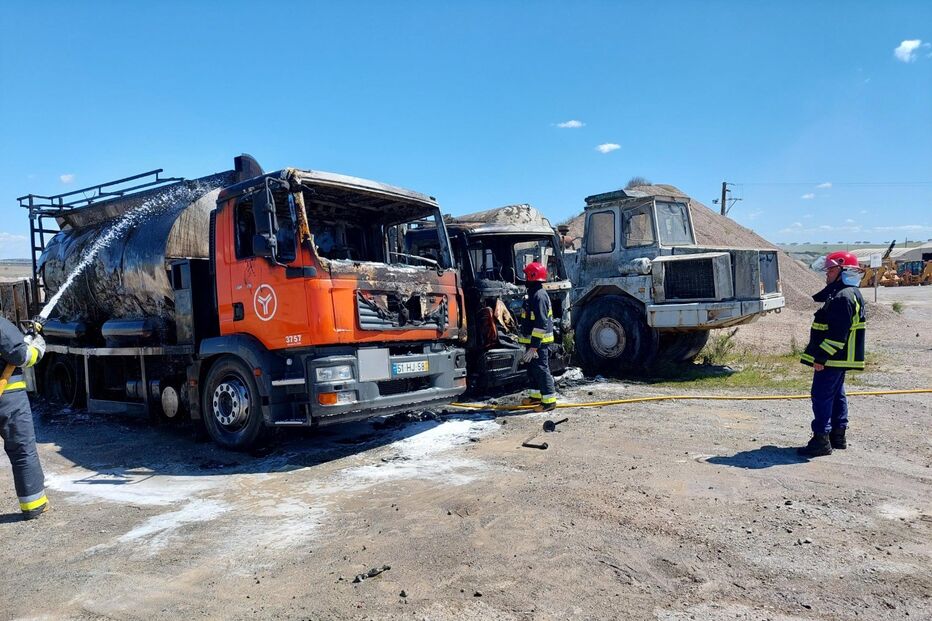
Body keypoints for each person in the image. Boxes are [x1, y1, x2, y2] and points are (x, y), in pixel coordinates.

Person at [798, 251, 866, 457]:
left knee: (821, 396)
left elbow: (837, 335)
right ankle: (838, 436)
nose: (827, 274)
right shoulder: (850, 293)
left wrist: (821, 357)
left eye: (830, 269)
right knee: (837, 395)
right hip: (840, 358)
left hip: (833, 358)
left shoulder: (842, 297)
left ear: (842, 271)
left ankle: (821, 440)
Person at [0, 316, 48, 519]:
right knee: (22, 449)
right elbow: (20, 355)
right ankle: (33, 505)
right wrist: (36, 346)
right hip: (8, 399)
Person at [518, 262, 557, 412]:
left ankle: (549, 401)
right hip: (532, 342)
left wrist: (534, 346)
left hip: (539, 343)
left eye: (526, 276)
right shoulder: (533, 294)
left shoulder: (539, 296)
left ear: (532, 277)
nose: (524, 278)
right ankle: (536, 396)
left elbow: (541, 323)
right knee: (532, 370)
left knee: (541, 369)